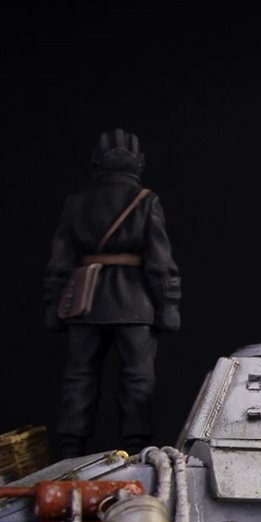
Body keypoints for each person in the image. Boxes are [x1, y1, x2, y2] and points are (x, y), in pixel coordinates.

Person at [44, 129, 181, 458]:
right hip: (134, 303)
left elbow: (61, 260)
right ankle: (137, 448)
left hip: (85, 304)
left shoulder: (77, 203)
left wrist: (53, 301)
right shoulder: (146, 201)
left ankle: (71, 449)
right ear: (139, 163)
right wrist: (168, 303)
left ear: (97, 163)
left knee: (79, 378)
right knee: (137, 379)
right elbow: (159, 259)